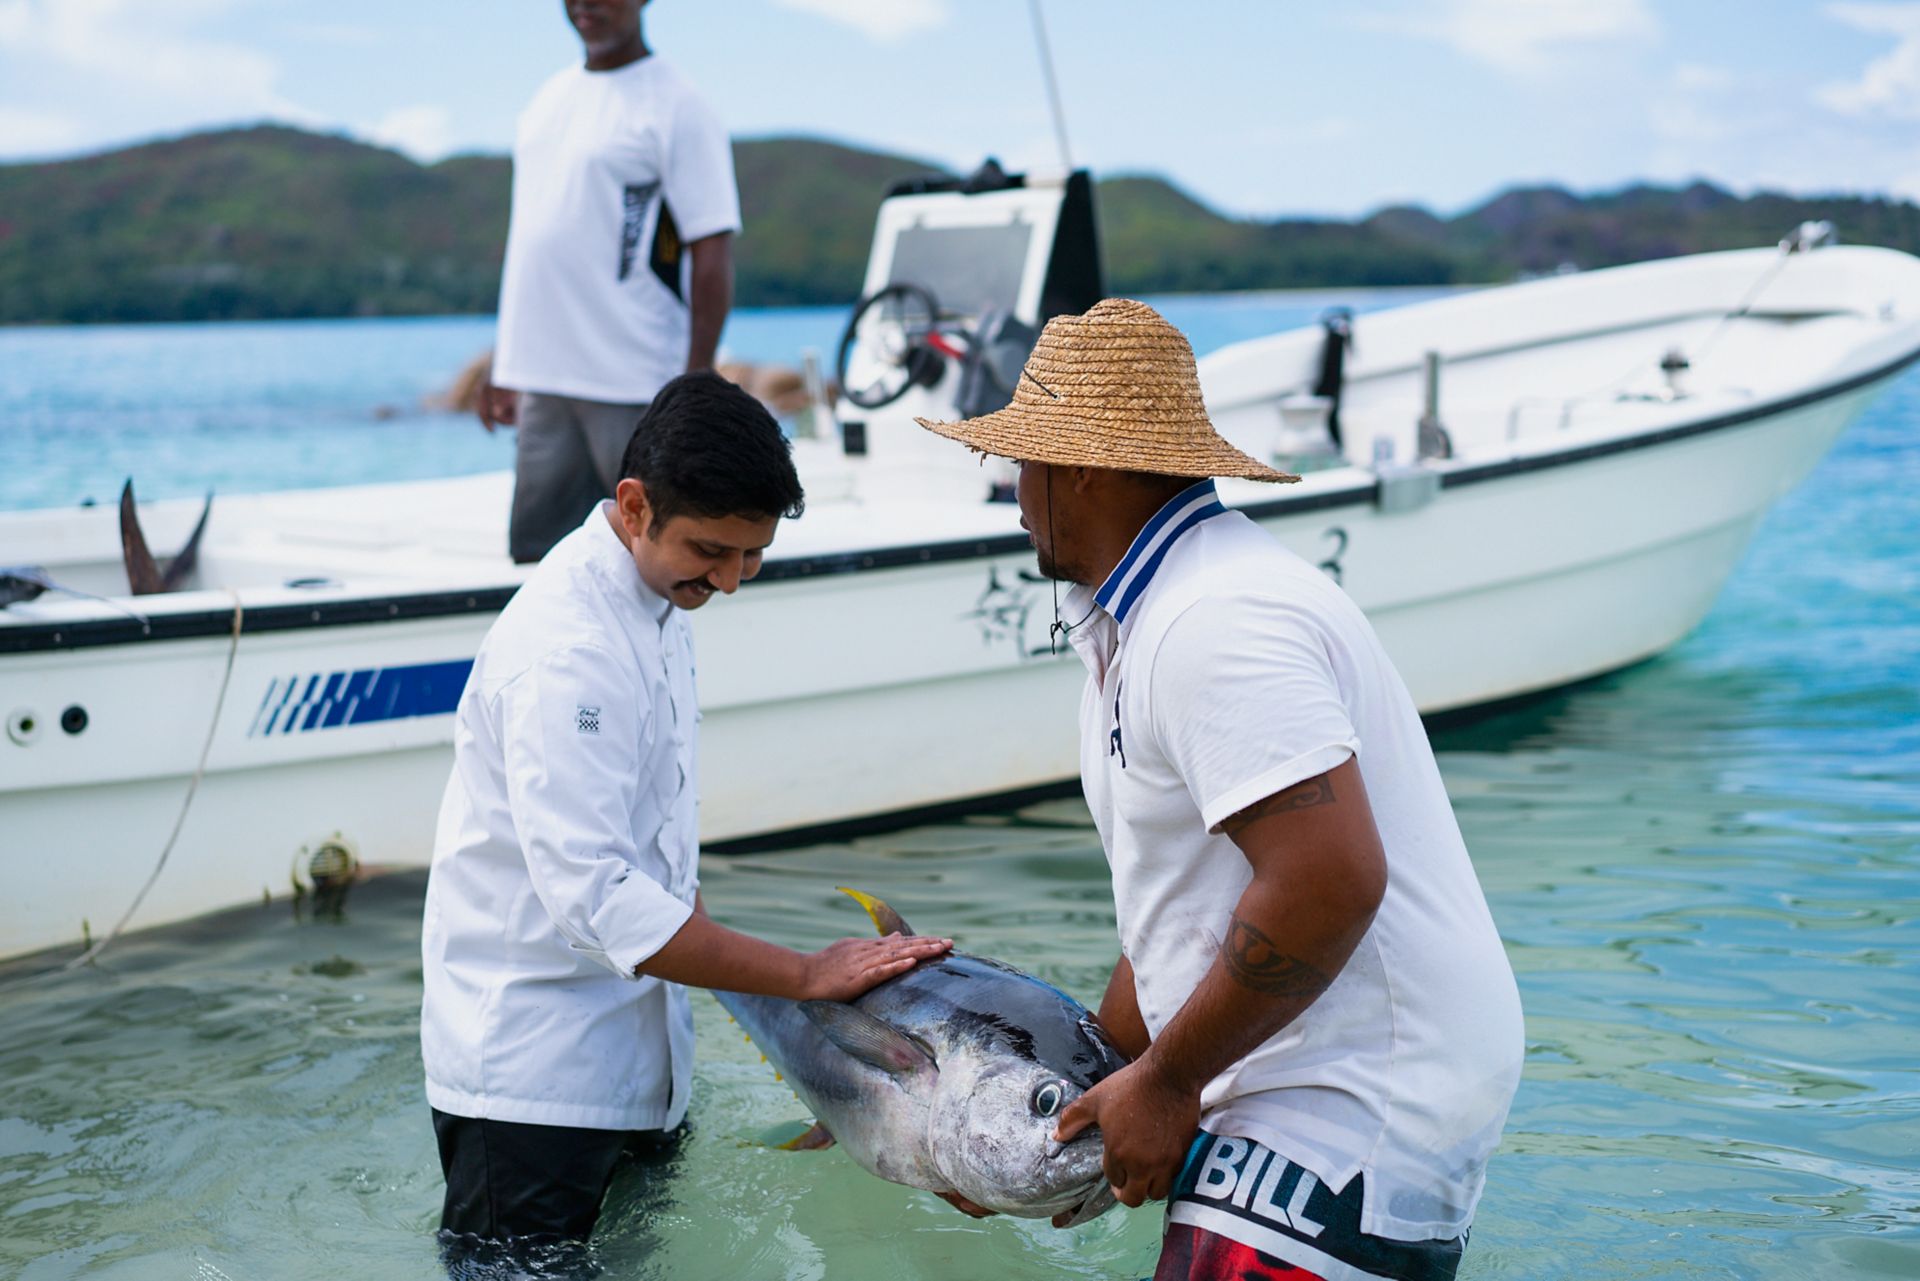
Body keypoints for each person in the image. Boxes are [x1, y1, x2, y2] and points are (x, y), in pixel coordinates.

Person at [915, 300, 1524, 1281]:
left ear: (1080, 468)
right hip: (1307, 1073)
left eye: (1021, 461)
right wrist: (1073, 1109)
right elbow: (1172, 925)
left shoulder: (1215, 621)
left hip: (1350, 1090)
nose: (1013, 491)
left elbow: (1330, 878)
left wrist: (1167, 1081)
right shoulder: (1147, 619)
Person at [423, 372, 951, 1260]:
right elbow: (595, 896)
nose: (732, 580)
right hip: (530, 1082)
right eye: (712, 550)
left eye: (751, 556)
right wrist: (803, 974)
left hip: (639, 1062)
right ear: (634, 506)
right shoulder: (570, 650)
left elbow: (654, 853)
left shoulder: (659, 598)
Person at [478, 0, 740, 564]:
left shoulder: (678, 105)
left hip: (633, 382)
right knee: (538, 560)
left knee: (649, 560)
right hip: (544, 379)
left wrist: (693, 382)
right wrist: (505, 361)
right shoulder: (547, 100)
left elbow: (712, 248)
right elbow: (535, 239)